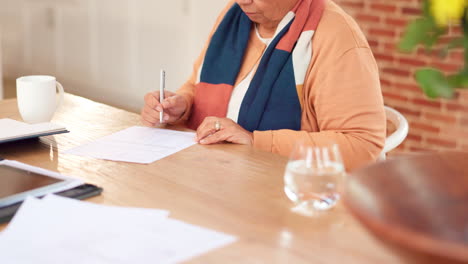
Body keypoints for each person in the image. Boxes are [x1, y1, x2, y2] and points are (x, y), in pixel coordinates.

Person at [141, 0, 386, 171]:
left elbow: (362, 146)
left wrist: (255, 142)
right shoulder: (234, 17)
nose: (242, 0)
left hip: (288, 194)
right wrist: (181, 105)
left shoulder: (336, 36)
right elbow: (197, 84)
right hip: (214, 176)